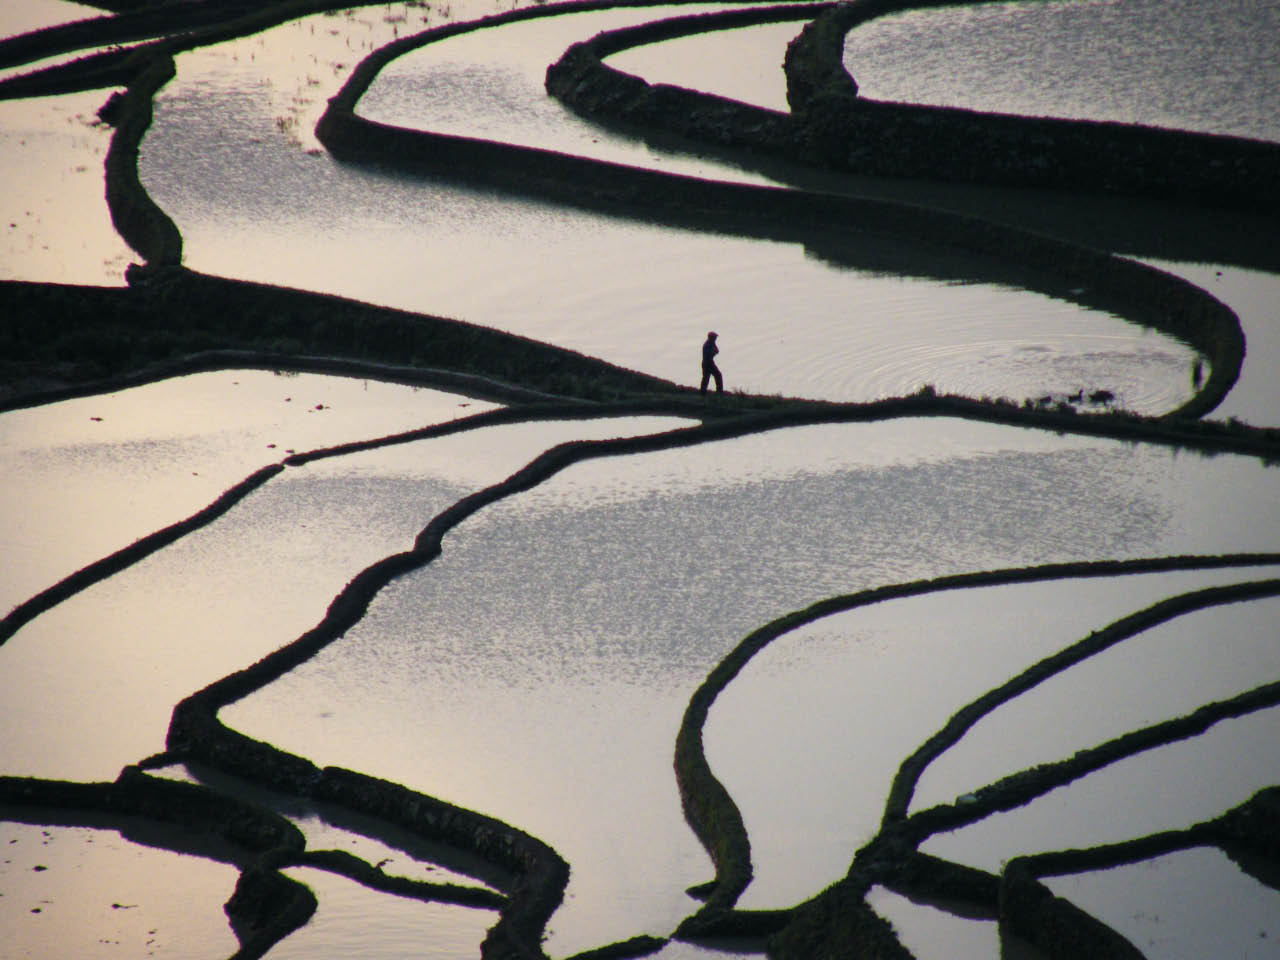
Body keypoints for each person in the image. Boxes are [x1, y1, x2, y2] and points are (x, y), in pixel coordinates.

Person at [700, 331, 723, 395]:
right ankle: (703, 392)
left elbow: (717, 351)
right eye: (715, 337)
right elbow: (710, 353)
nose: (715, 339)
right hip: (707, 363)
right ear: (711, 337)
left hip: (709, 362)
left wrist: (714, 352)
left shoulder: (712, 343)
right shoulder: (707, 344)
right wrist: (713, 352)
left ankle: (718, 391)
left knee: (709, 377)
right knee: (707, 378)